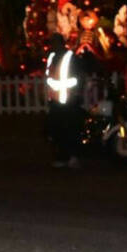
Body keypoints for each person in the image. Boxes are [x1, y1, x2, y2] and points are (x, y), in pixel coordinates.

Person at [44, 33, 84, 168]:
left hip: (69, 100)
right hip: (56, 101)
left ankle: (74, 156)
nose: (52, 46)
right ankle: (62, 156)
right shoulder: (51, 57)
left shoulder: (70, 57)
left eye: (54, 43)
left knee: (71, 129)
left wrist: (73, 92)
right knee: (58, 130)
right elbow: (49, 77)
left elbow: (77, 78)